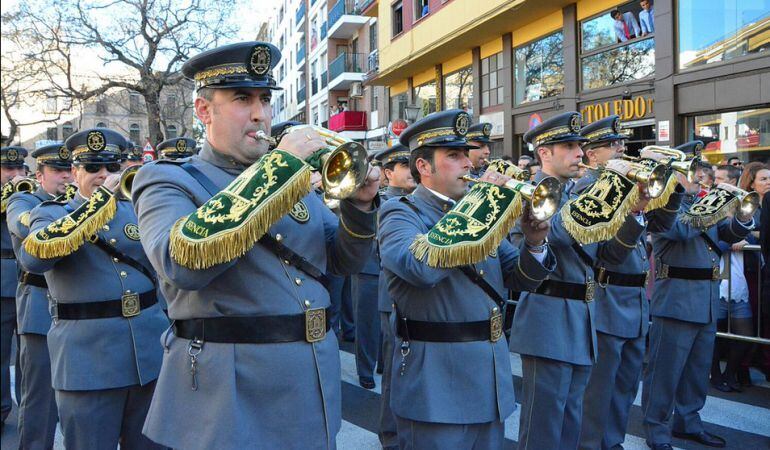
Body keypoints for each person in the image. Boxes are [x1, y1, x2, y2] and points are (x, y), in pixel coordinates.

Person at [132, 41, 380, 449]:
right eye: (242, 98)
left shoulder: (292, 180)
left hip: (309, 380)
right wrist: (280, 167)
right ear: (203, 110)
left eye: (265, 99)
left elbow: (340, 261)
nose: (260, 113)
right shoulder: (168, 179)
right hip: (229, 394)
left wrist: (360, 204)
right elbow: (180, 264)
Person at [379, 109, 555, 449]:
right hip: (436, 382)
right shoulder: (401, 212)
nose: (467, 164)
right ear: (424, 167)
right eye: (454, 155)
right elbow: (419, 269)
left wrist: (534, 241)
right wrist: (476, 209)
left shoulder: (478, 211)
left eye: (465, 154)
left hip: (488, 375)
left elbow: (520, 277)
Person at [18, 128, 168, 449]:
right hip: (88, 364)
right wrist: (98, 203)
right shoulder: (52, 213)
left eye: (112, 167)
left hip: (147, 355)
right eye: (93, 167)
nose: (104, 175)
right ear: (74, 172)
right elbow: (34, 257)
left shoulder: (135, 208)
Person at [509, 111, 649, 450]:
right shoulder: (526, 195)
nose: (579, 153)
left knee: (572, 423)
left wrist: (633, 212)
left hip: (584, 317)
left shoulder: (576, 197)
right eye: (570, 146)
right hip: (547, 315)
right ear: (544, 152)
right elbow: (542, 240)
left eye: (579, 146)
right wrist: (603, 196)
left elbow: (609, 257)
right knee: (544, 427)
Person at [576, 116, 682, 450]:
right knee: (600, 387)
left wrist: (673, 184)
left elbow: (662, 222)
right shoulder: (588, 187)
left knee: (625, 385)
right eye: (613, 145)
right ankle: (592, 444)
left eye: (621, 143)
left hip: (635, 297)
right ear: (593, 155)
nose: (622, 148)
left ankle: (613, 441)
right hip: (608, 294)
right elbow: (606, 251)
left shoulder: (627, 182)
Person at [642, 141, 755, 450]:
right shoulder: (661, 205)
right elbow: (679, 231)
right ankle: (657, 431)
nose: (698, 176)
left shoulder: (702, 201)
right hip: (676, 298)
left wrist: (741, 217)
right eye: (690, 171)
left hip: (706, 297)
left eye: (698, 170)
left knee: (696, 371)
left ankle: (688, 422)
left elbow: (727, 235)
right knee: (664, 373)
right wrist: (712, 207)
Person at [5, 143, 71, 448]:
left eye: (70, 169)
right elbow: (28, 229)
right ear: (40, 174)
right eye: (58, 170)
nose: (66, 176)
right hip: (41, 307)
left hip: (81, 312)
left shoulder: (86, 203)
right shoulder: (23, 200)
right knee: (40, 400)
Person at [373, 143, 416, 450]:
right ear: (388, 173)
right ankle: (390, 434)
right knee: (393, 368)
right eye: (404, 166)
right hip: (392, 295)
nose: (410, 171)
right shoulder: (385, 204)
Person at [0, 145, 27, 430]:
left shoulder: (28, 192)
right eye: (9, 169)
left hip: (28, 280)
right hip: (2, 280)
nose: (16, 174)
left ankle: (27, 408)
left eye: (20, 168)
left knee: (28, 356)